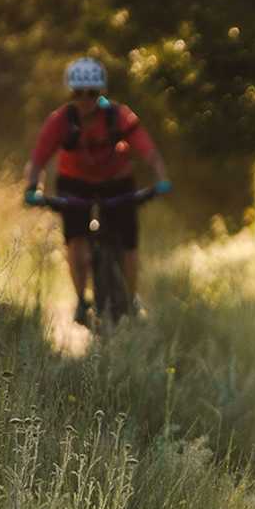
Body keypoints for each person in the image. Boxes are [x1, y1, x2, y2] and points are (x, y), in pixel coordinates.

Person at [23, 56, 172, 325]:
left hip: (117, 182)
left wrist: (161, 178)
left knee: (129, 242)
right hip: (74, 183)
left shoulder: (120, 116)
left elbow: (149, 151)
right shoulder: (60, 121)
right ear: (71, 93)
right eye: (78, 93)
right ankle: (81, 300)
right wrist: (33, 188)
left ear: (100, 92)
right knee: (75, 241)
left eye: (91, 93)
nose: (85, 99)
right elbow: (38, 160)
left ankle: (131, 297)